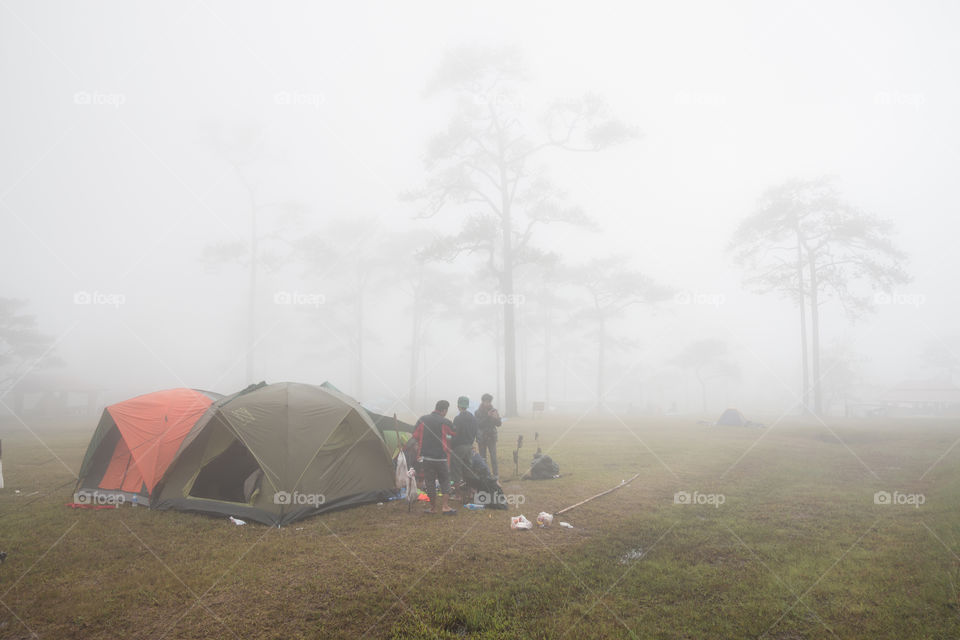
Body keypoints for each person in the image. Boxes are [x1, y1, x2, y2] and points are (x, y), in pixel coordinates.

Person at [411, 400, 456, 515]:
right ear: (444, 410)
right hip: (441, 458)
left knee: (430, 482)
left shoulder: (422, 419)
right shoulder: (445, 422)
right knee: (445, 481)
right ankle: (445, 506)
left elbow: (415, 435)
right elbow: (454, 433)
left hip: (427, 457)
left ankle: (433, 508)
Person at [449, 396, 477, 501]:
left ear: (458, 406)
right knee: (468, 470)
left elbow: (455, 434)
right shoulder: (473, 418)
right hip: (469, 446)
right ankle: (470, 493)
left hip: (459, 447)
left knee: (456, 470)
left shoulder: (458, 418)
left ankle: (458, 495)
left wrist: (451, 445)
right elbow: (475, 432)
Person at [475, 393, 502, 478]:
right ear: (483, 402)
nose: (488, 404)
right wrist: (487, 416)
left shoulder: (494, 410)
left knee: (493, 456)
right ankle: (485, 474)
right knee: (483, 458)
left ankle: (495, 474)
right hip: (482, 437)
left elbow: (498, 424)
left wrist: (497, 418)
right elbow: (479, 424)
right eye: (486, 402)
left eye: (489, 402)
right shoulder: (478, 412)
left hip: (491, 437)